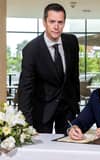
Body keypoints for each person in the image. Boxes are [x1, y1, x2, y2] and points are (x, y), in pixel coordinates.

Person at [18, 3, 80, 134]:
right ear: (44, 22)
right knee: (42, 150)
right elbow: (25, 89)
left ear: (64, 23)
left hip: (67, 109)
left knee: (67, 148)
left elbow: (74, 75)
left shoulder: (72, 41)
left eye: (60, 22)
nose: (56, 26)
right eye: (52, 21)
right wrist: (26, 124)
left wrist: (75, 104)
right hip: (42, 110)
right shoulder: (31, 49)